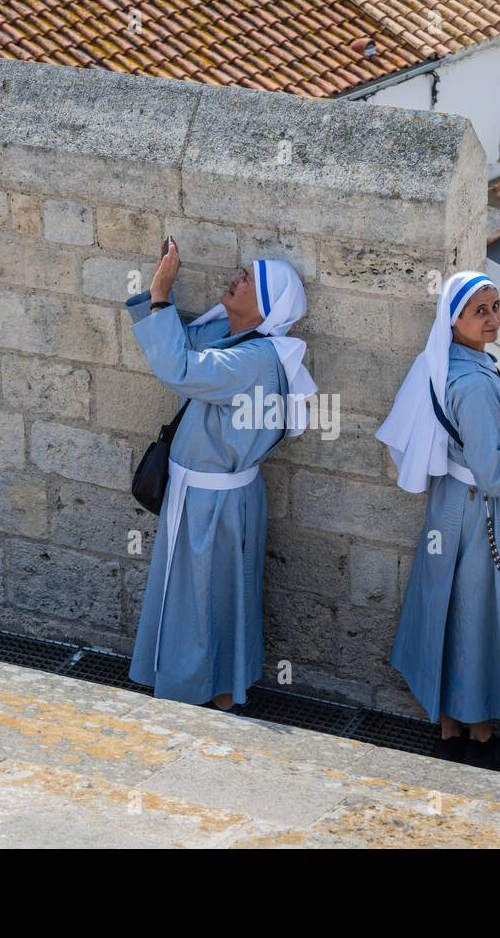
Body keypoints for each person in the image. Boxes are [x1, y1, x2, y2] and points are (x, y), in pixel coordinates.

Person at [376, 270, 500, 770]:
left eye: (495, 307)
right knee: (482, 619)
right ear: (455, 320)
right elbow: (495, 474)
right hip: (485, 513)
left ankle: (450, 728)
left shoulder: (454, 366)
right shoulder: (472, 386)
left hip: (454, 507)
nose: (493, 319)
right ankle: (481, 732)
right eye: (479, 311)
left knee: (453, 612)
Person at [124, 239, 316, 710]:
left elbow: (179, 369)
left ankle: (209, 696)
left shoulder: (254, 362)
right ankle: (211, 688)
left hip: (214, 503)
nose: (235, 277)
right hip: (205, 499)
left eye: (248, 279)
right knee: (208, 596)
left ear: (266, 305)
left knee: (205, 601)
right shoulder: (235, 340)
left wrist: (162, 293)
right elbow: (187, 348)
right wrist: (159, 307)